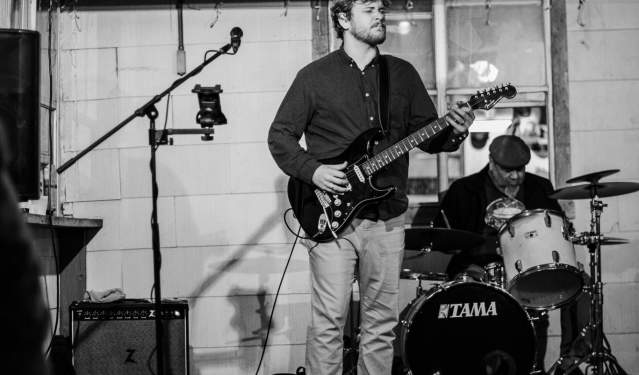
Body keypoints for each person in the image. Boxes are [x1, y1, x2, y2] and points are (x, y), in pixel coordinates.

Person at [267, 1, 475, 374]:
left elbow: (428, 136)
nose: (380, 14)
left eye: (382, 8)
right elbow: (280, 137)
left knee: (381, 324)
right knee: (329, 323)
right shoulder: (314, 77)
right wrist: (314, 173)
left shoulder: (402, 74)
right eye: (369, 8)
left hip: (387, 216)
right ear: (344, 19)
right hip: (332, 218)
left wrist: (454, 132)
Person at [436, 134, 587, 374]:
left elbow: (558, 229)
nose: (516, 176)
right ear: (492, 163)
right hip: (481, 267)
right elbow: (445, 238)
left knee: (581, 281)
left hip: (529, 268)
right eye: (509, 171)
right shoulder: (464, 190)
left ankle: (569, 360)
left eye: (520, 170)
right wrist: (488, 246)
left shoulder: (540, 187)